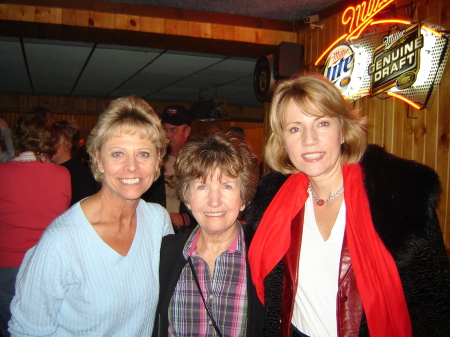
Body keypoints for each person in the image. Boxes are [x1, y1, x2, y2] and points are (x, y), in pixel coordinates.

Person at [245, 74, 450, 337]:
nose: (309, 139)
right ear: (283, 140)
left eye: (322, 123)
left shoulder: (398, 198)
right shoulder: (270, 204)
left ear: (343, 130)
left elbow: (433, 301)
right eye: (295, 128)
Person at [8, 96, 174, 336]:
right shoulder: (61, 242)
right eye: (118, 154)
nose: (131, 166)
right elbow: (27, 331)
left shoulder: (158, 221)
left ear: (158, 159)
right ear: (98, 157)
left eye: (144, 154)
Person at [153, 132, 264, 337]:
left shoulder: (264, 258)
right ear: (187, 197)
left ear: (244, 197)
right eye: (202, 186)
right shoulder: (165, 254)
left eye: (227, 186)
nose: (214, 201)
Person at [0, 108, 71, 337]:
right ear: (52, 139)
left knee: (10, 325)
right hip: (46, 263)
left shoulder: (3, 172)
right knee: (46, 324)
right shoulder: (62, 175)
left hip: (7, 264)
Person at [142, 104, 196, 231]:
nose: (168, 135)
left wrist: (186, 218)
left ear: (187, 131)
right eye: (165, 130)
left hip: (184, 234)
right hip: (155, 229)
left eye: (173, 130)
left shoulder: (196, 162)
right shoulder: (152, 160)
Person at [51, 120, 98, 205]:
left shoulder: (81, 175)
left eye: (55, 141)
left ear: (68, 144)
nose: (49, 146)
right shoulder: (46, 170)